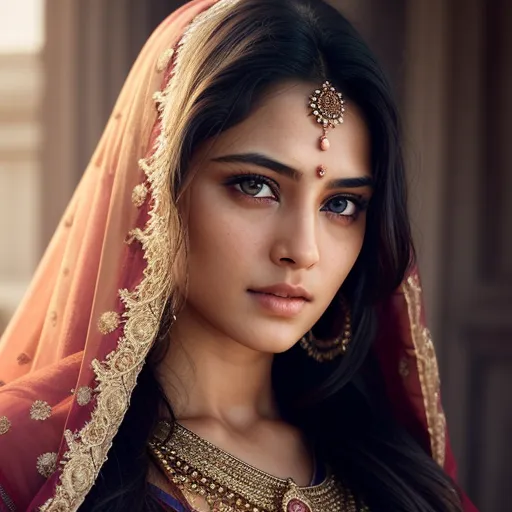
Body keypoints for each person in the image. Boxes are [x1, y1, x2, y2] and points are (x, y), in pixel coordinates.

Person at [0, 0, 478, 511]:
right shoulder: (34, 463)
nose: (302, 250)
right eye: (256, 186)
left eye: (341, 204)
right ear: (159, 188)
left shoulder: (395, 467)